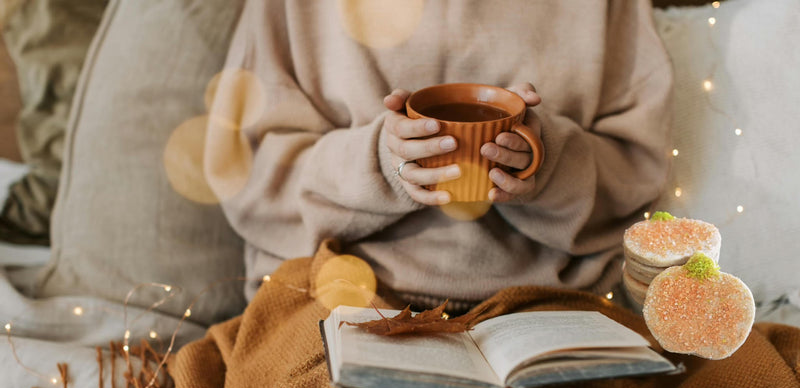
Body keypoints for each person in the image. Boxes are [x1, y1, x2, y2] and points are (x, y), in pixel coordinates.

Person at [214, 0, 673, 312]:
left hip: (546, 305)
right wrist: (380, 163)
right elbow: (250, 173)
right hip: (333, 297)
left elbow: (636, 169)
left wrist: (546, 162)